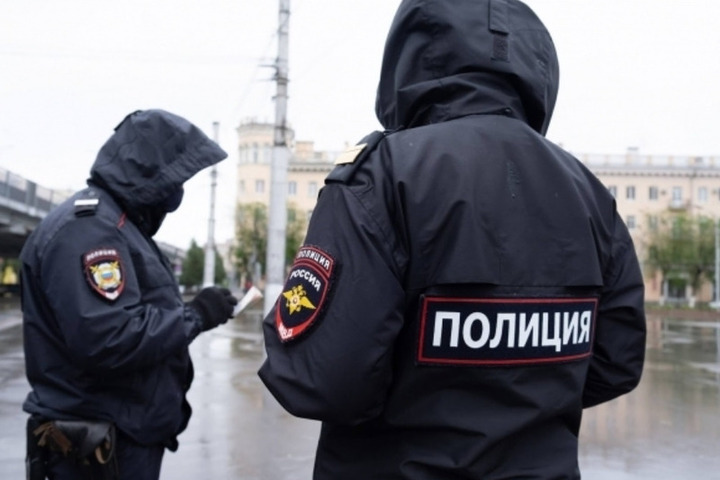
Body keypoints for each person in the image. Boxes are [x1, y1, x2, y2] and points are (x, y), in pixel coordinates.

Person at [258, 1, 647, 479]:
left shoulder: (383, 175)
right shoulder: (589, 194)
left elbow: (318, 379)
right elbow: (616, 364)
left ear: (409, 55)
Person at [21, 109, 238, 480]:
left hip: (119, 434)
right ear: (152, 174)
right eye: (176, 178)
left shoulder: (118, 225)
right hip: (98, 444)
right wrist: (196, 315)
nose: (178, 193)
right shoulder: (90, 230)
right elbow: (108, 338)